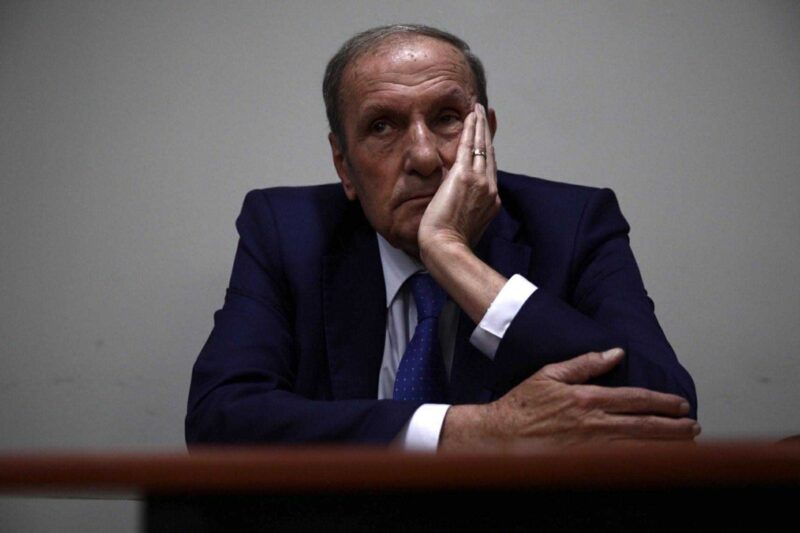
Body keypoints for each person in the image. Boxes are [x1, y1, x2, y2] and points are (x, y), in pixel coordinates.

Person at [185, 24, 698, 451]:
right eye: (382, 127)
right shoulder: (286, 230)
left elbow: (664, 412)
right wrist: (474, 431)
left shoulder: (574, 223)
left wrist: (450, 254)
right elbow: (219, 420)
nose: (424, 157)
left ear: (486, 136)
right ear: (343, 164)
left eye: (448, 119)